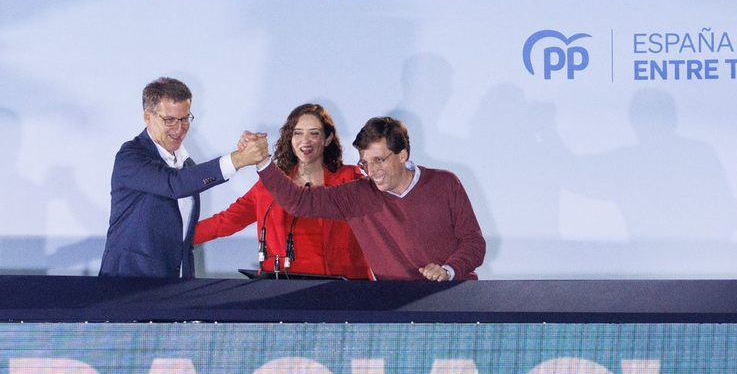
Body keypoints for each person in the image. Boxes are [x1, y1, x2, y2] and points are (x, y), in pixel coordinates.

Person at [255, 115, 484, 281]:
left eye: (379, 160)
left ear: (402, 155)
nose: (372, 171)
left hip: (453, 297)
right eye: (365, 162)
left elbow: (474, 243)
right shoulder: (357, 195)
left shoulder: (444, 183)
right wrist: (263, 162)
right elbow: (299, 202)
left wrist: (448, 270)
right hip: (397, 309)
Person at [99, 77, 269, 278]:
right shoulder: (131, 156)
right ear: (147, 116)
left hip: (176, 286)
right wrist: (238, 159)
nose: (179, 129)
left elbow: (183, 236)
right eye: (169, 120)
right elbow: (174, 184)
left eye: (185, 119)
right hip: (129, 284)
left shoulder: (187, 165)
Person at [194, 103, 370, 278]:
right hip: (282, 287)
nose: (305, 140)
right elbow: (224, 222)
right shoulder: (270, 185)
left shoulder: (349, 178)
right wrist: (175, 239)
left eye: (314, 133)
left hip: (340, 288)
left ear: (328, 138)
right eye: (298, 133)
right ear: (290, 138)